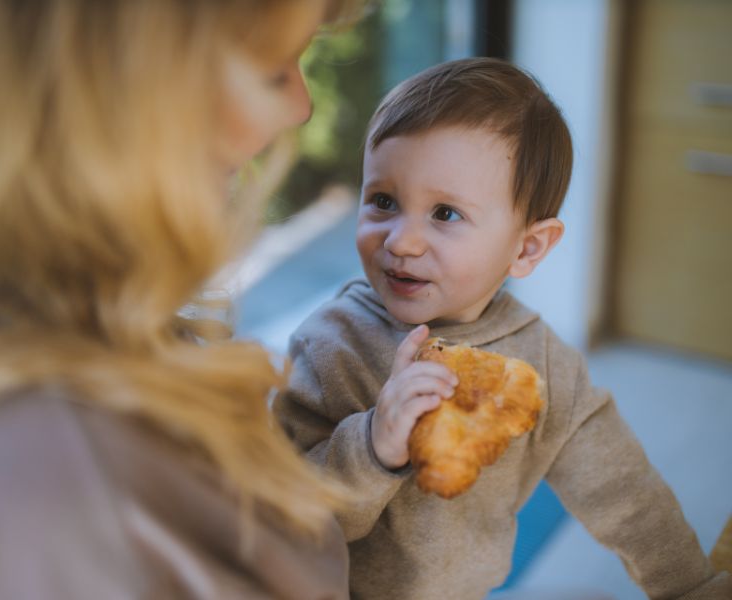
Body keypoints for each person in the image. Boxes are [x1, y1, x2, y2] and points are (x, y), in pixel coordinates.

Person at [0, 0, 363, 598]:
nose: (300, 106)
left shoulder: (108, 326)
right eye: (273, 70)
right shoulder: (56, 488)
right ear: (108, 87)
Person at [274, 58, 732, 599]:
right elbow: (286, 518)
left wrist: (690, 585)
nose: (401, 241)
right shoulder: (330, 346)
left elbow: (622, 491)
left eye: (444, 213)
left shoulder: (541, 362)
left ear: (527, 247)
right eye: (383, 201)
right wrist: (373, 444)